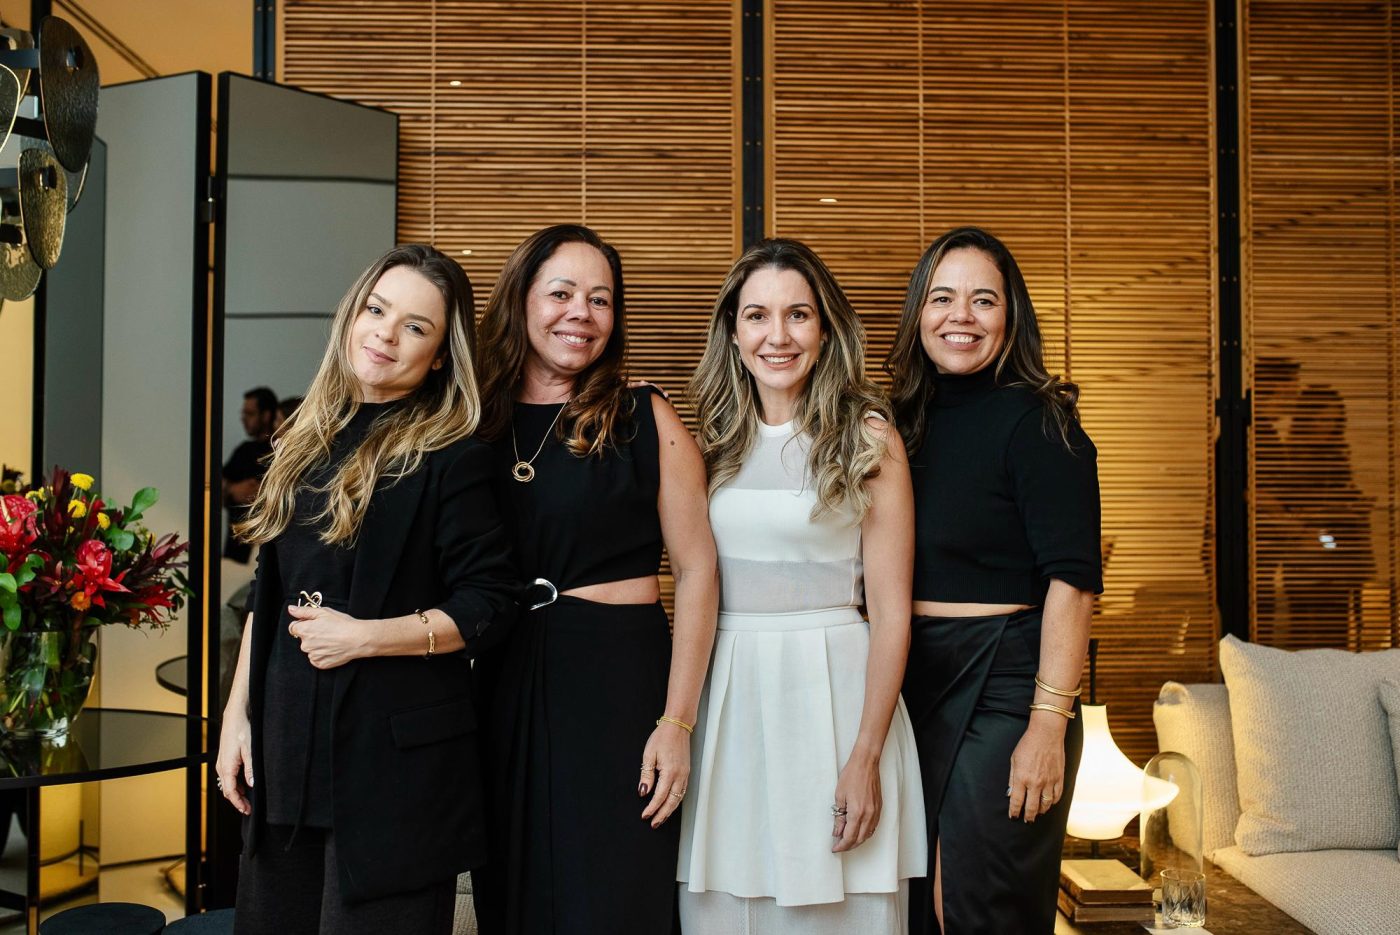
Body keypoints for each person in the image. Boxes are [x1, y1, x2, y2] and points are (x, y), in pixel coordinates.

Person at [215, 244, 517, 934]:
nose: (385, 332)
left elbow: (490, 603)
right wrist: (240, 715)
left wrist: (365, 638)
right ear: (353, 316)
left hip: (395, 778)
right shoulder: (303, 439)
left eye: (415, 325)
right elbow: (272, 590)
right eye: (378, 310)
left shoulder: (454, 456)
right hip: (288, 754)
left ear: (441, 354)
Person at [470, 224, 718, 935]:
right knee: (513, 893)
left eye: (600, 298)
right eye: (562, 292)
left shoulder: (644, 414)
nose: (581, 312)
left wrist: (677, 721)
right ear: (521, 300)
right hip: (506, 679)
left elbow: (700, 570)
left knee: (619, 891)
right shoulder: (473, 422)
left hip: (619, 683)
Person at [678, 238, 926, 933]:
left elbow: (892, 614)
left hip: (841, 698)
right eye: (757, 315)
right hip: (729, 702)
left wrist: (865, 754)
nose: (777, 335)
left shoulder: (869, 438)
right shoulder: (711, 443)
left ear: (824, 329)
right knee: (724, 906)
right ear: (734, 330)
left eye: (797, 315)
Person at [885, 226, 1101, 934]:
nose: (961, 317)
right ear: (919, 312)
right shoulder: (895, 422)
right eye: (942, 298)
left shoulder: (1043, 422)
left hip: (1007, 686)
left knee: (973, 905)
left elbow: (1073, 584)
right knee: (913, 904)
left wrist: (1048, 723)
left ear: (1011, 316)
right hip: (909, 680)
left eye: (984, 300)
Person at [222, 387, 277, 563]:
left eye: (250, 413)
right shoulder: (244, 451)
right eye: (243, 413)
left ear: (266, 415)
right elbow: (212, 484)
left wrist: (261, 493)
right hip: (236, 550)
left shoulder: (278, 451)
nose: (243, 419)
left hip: (266, 550)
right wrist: (232, 490)